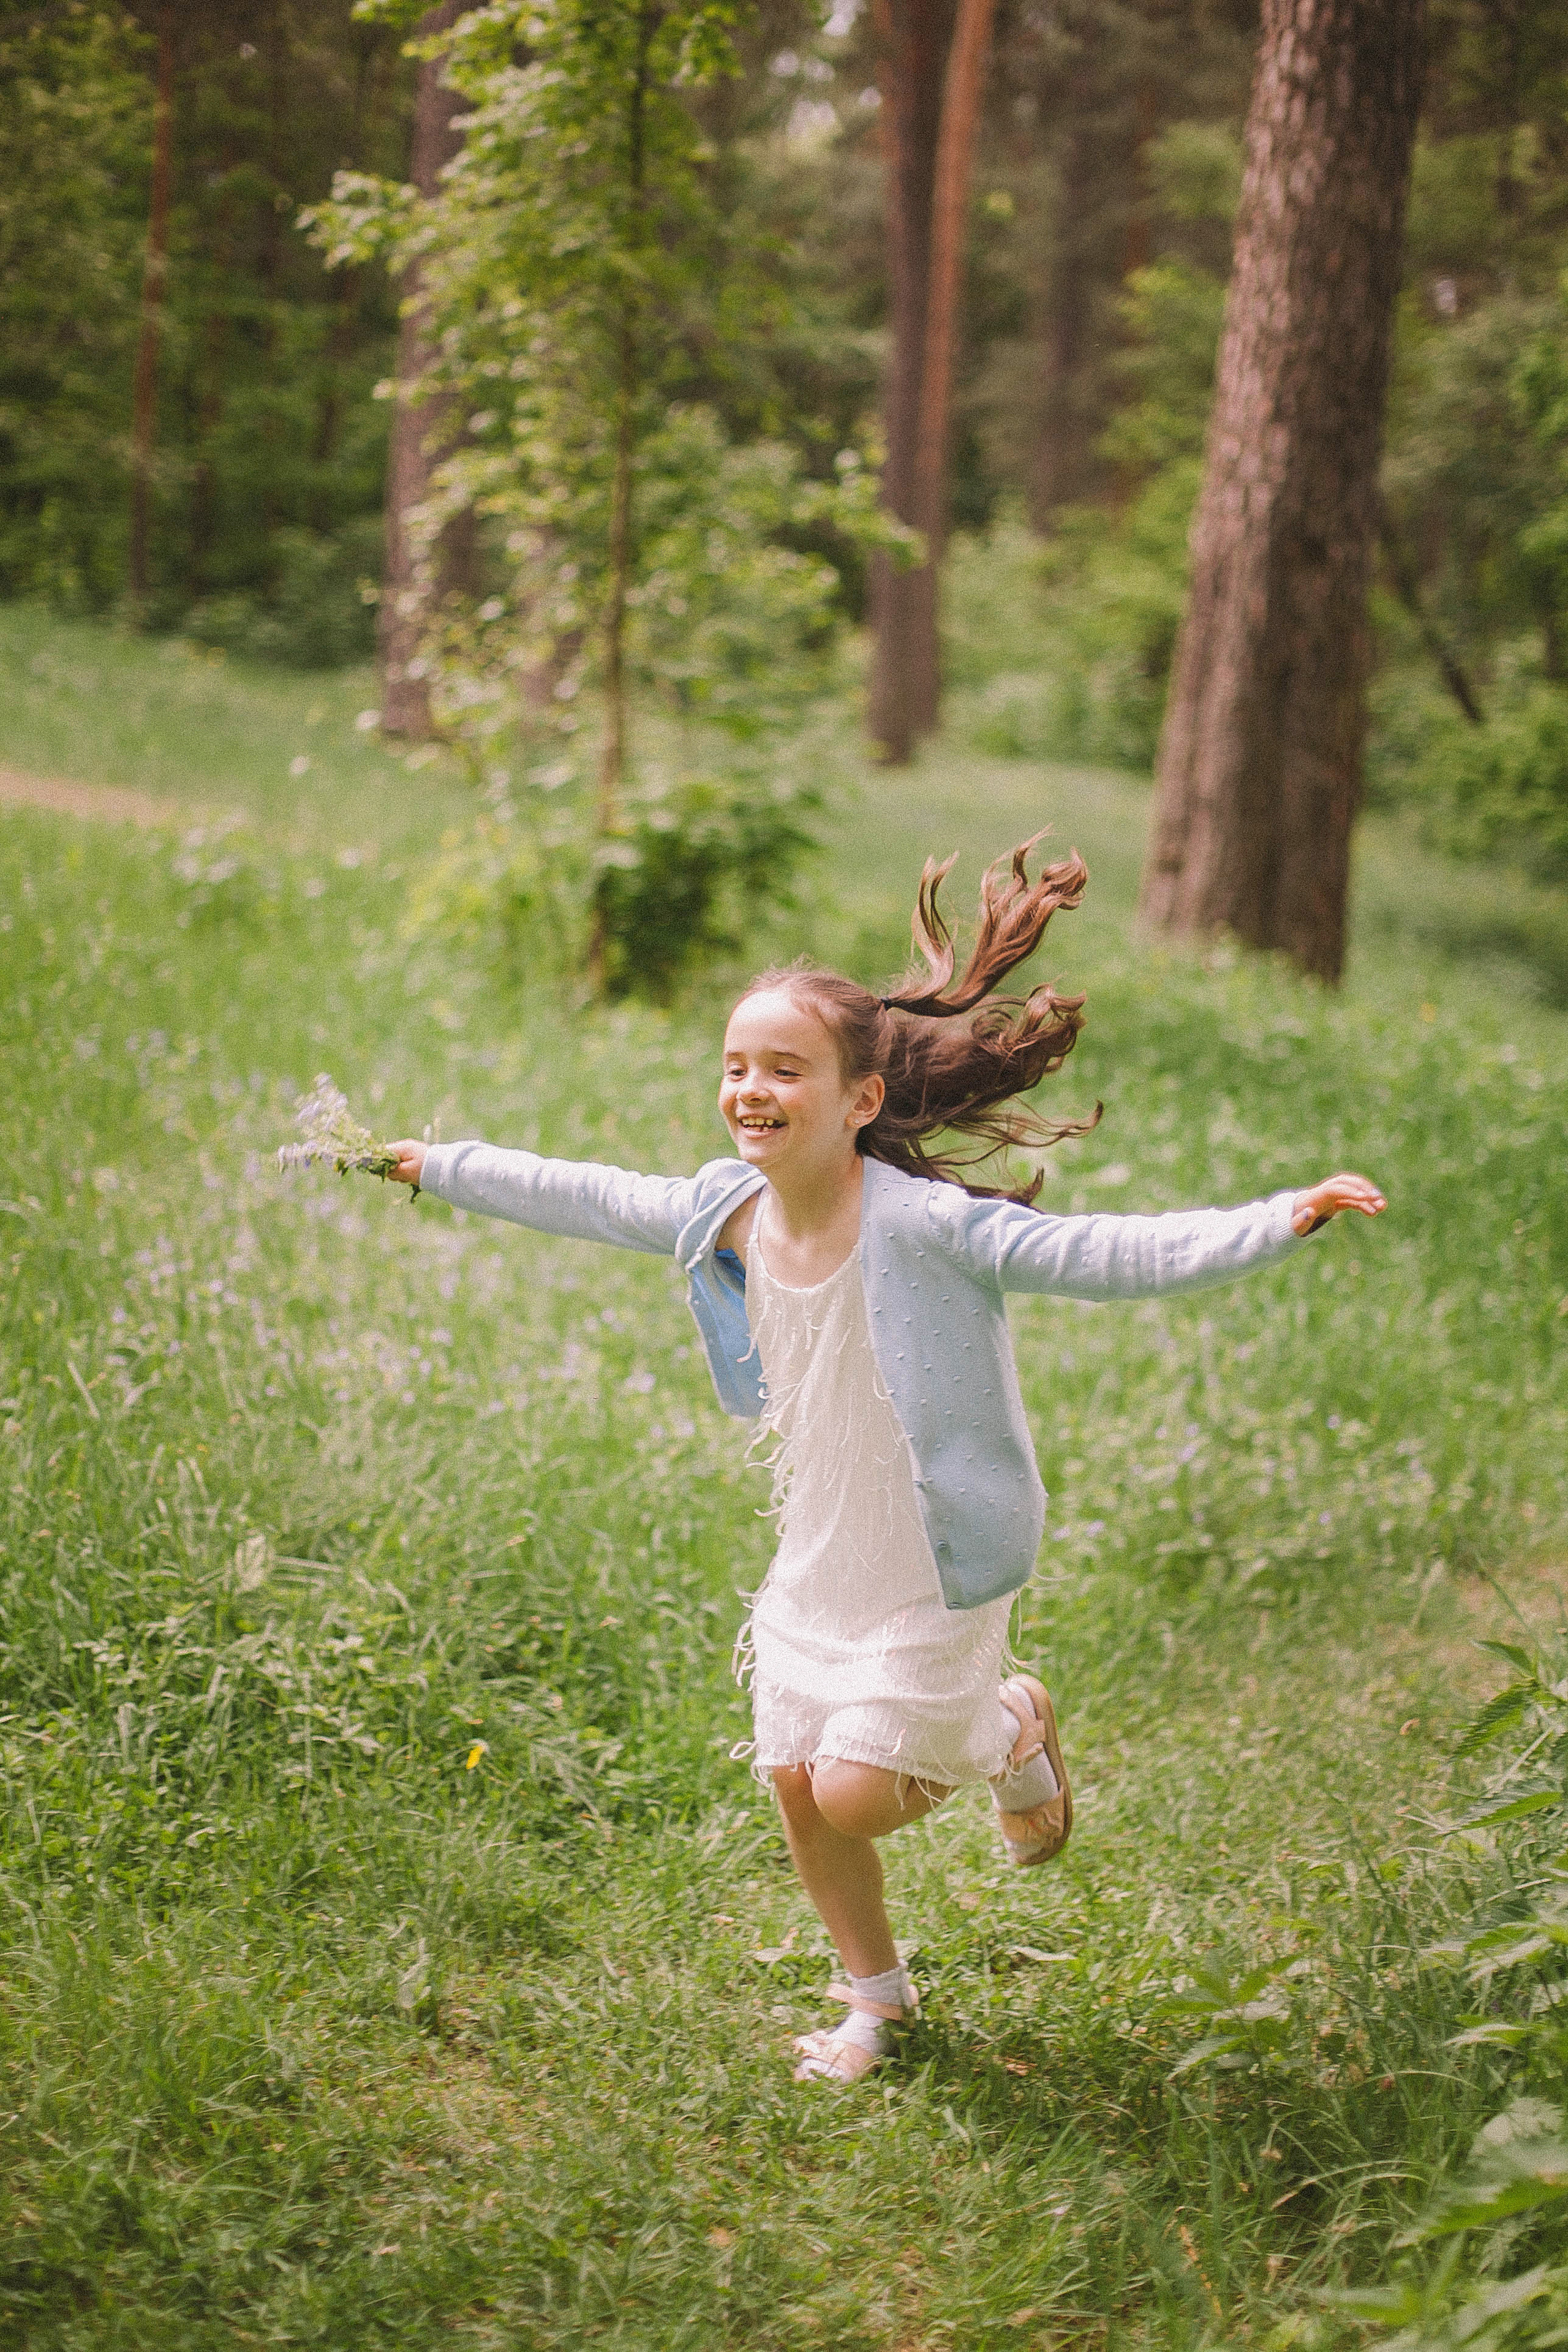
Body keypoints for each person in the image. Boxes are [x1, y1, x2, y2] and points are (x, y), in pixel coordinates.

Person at [384, 840, 1385, 2084]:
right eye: (735, 1067)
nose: (750, 1089)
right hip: (823, 1547)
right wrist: (438, 1167)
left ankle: (1010, 1722)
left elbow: (1106, 1256)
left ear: (858, 1100)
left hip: (931, 1553)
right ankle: (877, 2000)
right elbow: (586, 1193)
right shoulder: (724, 1211)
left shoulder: (925, 1229)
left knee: (858, 1792)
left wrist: (1275, 1220)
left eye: (783, 1069)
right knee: (797, 1786)